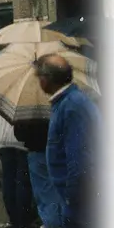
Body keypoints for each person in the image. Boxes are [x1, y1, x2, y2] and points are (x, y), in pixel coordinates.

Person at [34, 54, 99, 228]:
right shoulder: (66, 103)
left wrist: (72, 201)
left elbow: (80, 161)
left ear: (46, 79)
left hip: (79, 205)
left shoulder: (72, 106)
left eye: (39, 77)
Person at [0, 107, 35, 228]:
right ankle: (23, 220)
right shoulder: (30, 90)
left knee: (8, 180)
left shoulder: (2, 90)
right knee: (23, 183)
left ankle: (13, 219)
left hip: (3, 140)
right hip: (23, 140)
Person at [14, 118, 63, 228]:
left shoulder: (29, 108)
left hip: (37, 152)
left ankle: (52, 223)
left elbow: (19, 135)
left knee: (44, 194)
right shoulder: (59, 106)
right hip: (58, 151)